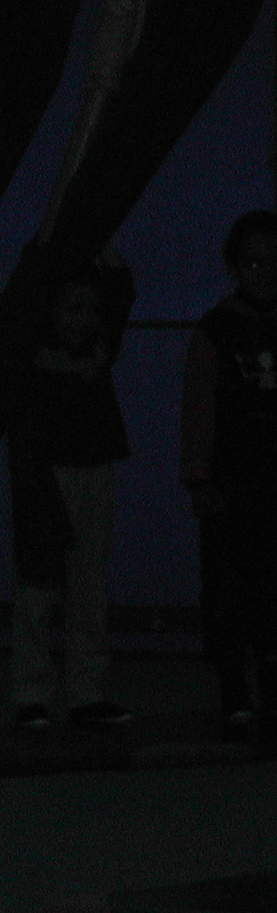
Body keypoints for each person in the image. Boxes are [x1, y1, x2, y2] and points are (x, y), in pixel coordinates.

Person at [6, 251, 135, 731]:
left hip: (93, 467)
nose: (83, 320)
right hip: (46, 474)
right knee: (39, 586)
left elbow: (120, 296)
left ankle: (84, 692)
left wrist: (103, 253)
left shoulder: (96, 350)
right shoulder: (32, 357)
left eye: (90, 310)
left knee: (87, 583)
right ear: (49, 310)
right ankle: (33, 694)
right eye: (72, 309)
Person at [182, 210, 277, 731]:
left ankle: (269, 689)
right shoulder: (215, 329)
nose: (263, 271)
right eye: (253, 262)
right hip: (232, 480)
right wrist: (199, 478)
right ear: (234, 267)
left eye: (272, 261)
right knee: (228, 588)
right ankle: (235, 689)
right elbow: (199, 408)